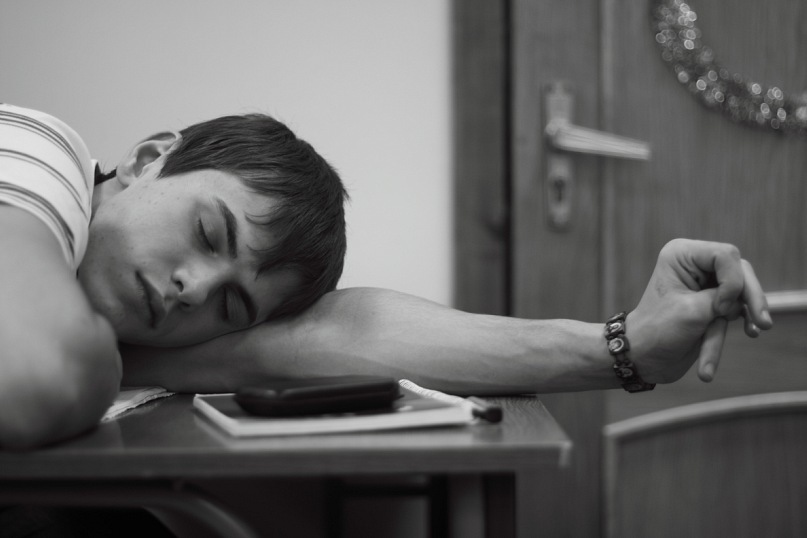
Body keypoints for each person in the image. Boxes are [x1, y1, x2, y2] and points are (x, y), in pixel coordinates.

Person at [0, 103, 772, 451]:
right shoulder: (40, 156)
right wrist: (123, 360)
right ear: (148, 158)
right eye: (208, 232)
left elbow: (327, 334)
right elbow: (38, 380)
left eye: (231, 307)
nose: (193, 290)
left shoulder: (140, 315)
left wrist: (625, 345)